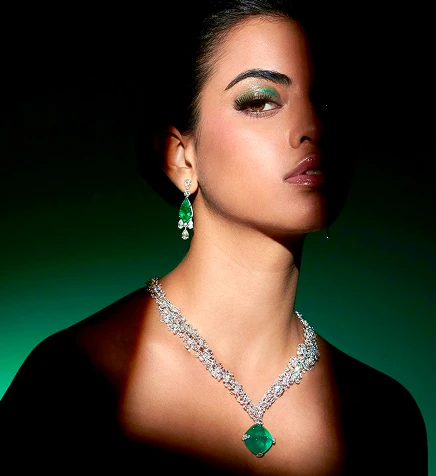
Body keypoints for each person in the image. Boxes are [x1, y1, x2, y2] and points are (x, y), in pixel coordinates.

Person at [0, 1, 428, 474]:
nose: (311, 127)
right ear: (182, 157)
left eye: (325, 102)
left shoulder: (385, 417)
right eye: (259, 101)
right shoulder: (74, 380)